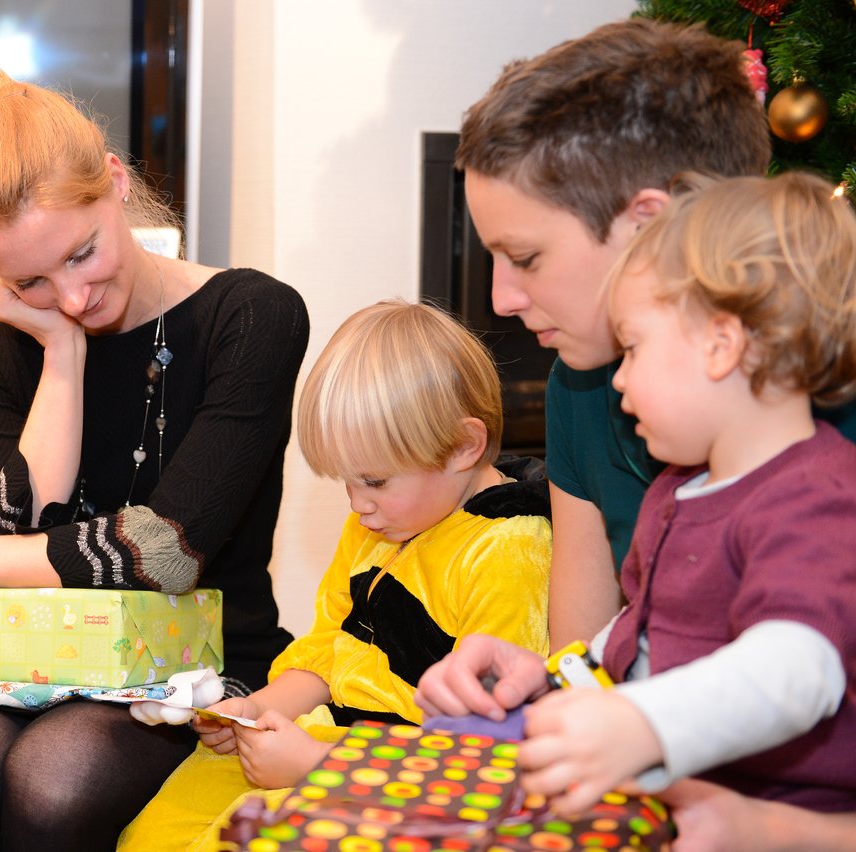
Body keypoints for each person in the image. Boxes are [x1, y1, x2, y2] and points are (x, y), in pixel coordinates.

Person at [415, 16, 856, 843]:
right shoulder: (585, 385)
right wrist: (548, 681)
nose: (500, 301)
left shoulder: (824, 455)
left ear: (649, 225)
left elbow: (800, 673)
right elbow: (627, 639)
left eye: (524, 257)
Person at [0, 59, 309, 850]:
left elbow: (164, 551)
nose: (75, 298)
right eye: (33, 278)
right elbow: (1, 537)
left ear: (116, 183)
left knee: (56, 781)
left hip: (190, 665)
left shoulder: (252, 316)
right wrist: (61, 356)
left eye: (83, 253)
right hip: (22, 656)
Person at [118, 300, 553, 851]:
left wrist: (320, 764)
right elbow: (330, 649)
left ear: (464, 447)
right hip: (328, 736)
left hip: (408, 777)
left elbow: (483, 753)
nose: (358, 505)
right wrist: (255, 711)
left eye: (373, 481)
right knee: (155, 829)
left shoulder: (508, 548)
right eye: (346, 483)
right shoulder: (381, 524)